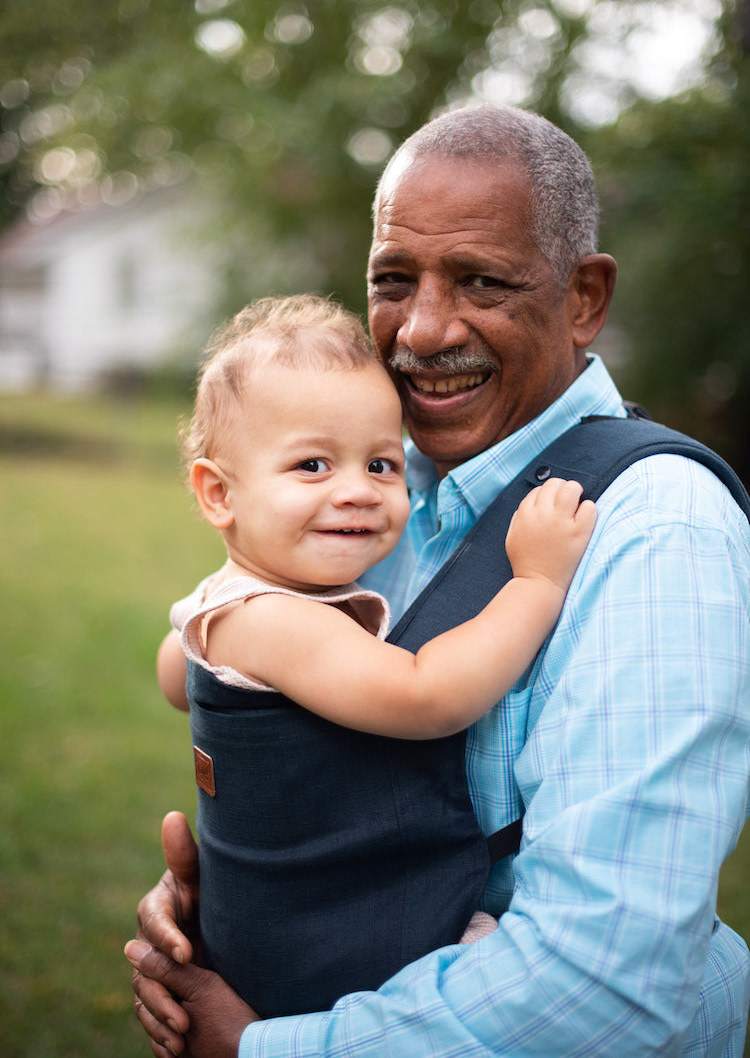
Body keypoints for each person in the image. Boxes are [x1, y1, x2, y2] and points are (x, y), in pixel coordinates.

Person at [127, 103, 750, 1057]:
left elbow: (608, 987)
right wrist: (248, 886)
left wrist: (262, 1048)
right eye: (392, 280)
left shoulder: (657, 530)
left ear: (584, 298)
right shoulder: (377, 491)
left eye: (481, 281)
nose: (420, 330)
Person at [155, 291, 595, 1018]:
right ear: (218, 494)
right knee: (508, 984)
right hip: (327, 943)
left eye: (383, 465)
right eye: (313, 465)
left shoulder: (221, 601)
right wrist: (538, 581)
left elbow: (176, 679)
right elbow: (428, 697)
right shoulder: (274, 620)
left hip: (276, 923)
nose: (357, 491)